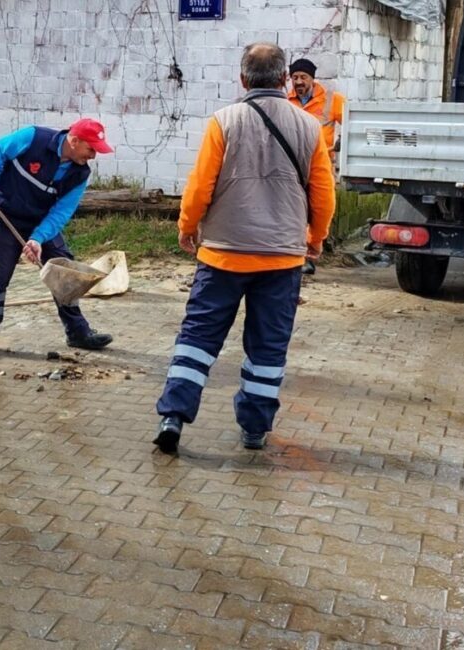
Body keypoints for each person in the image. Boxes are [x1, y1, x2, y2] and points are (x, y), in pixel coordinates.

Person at [153, 43, 335, 455]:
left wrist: (187, 227)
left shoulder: (224, 121)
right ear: (285, 79)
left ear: (242, 80)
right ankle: (254, 430)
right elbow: (323, 193)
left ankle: (173, 417)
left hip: (223, 254)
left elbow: (200, 186)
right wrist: (316, 238)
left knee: (198, 337)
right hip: (283, 257)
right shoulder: (309, 126)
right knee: (268, 345)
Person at [0, 118, 115, 360]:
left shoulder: (79, 173)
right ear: (74, 140)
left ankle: (77, 332)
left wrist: (38, 238)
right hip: (5, 213)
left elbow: (62, 212)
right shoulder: (33, 138)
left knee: (64, 271)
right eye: (90, 149)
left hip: (40, 220)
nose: (93, 155)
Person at [288, 58, 345, 276]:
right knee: (296, 209)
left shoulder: (332, 100)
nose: (299, 82)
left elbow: (352, 123)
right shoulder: (287, 101)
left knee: (319, 208)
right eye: (294, 78)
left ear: (313, 78)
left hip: (321, 164)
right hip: (294, 165)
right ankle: (301, 257)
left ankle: (312, 250)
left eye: (303, 77)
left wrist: (342, 143)